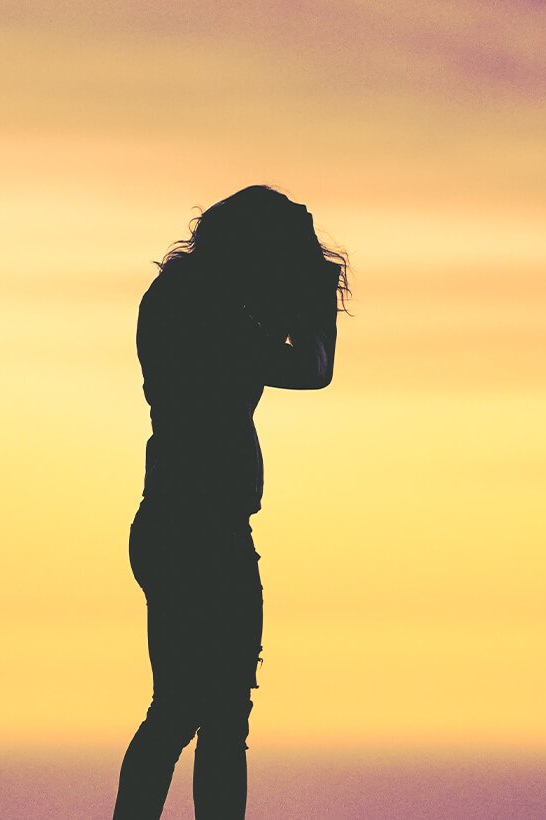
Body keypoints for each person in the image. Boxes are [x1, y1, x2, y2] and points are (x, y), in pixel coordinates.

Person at [112, 185, 348, 819]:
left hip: (188, 520)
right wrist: (315, 299)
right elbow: (312, 370)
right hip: (196, 527)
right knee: (197, 711)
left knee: (204, 711)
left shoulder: (191, 296)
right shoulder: (206, 306)